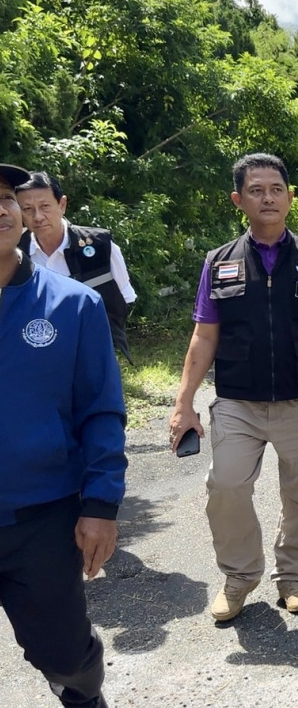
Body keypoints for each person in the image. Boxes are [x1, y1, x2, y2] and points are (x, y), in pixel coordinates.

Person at [168, 153, 298, 622]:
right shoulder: (219, 262)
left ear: (290, 197)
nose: (268, 198)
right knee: (225, 485)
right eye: (256, 190)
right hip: (238, 400)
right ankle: (239, 577)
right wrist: (184, 402)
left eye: (276, 189)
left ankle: (294, 577)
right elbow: (204, 336)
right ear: (238, 200)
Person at [0, 162, 126, 708]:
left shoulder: (74, 304)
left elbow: (101, 410)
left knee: (67, 656)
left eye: (5, 198)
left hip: (42, 517)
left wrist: (101, 503)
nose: (1, 210)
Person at [16, 170, 137, 360]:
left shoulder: (99, 245)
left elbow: (123, 297)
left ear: (62, 204)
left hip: (93, 351)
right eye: (28, 209)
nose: (38, 217)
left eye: (45, 206)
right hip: (34, 356)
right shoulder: (14, 253)